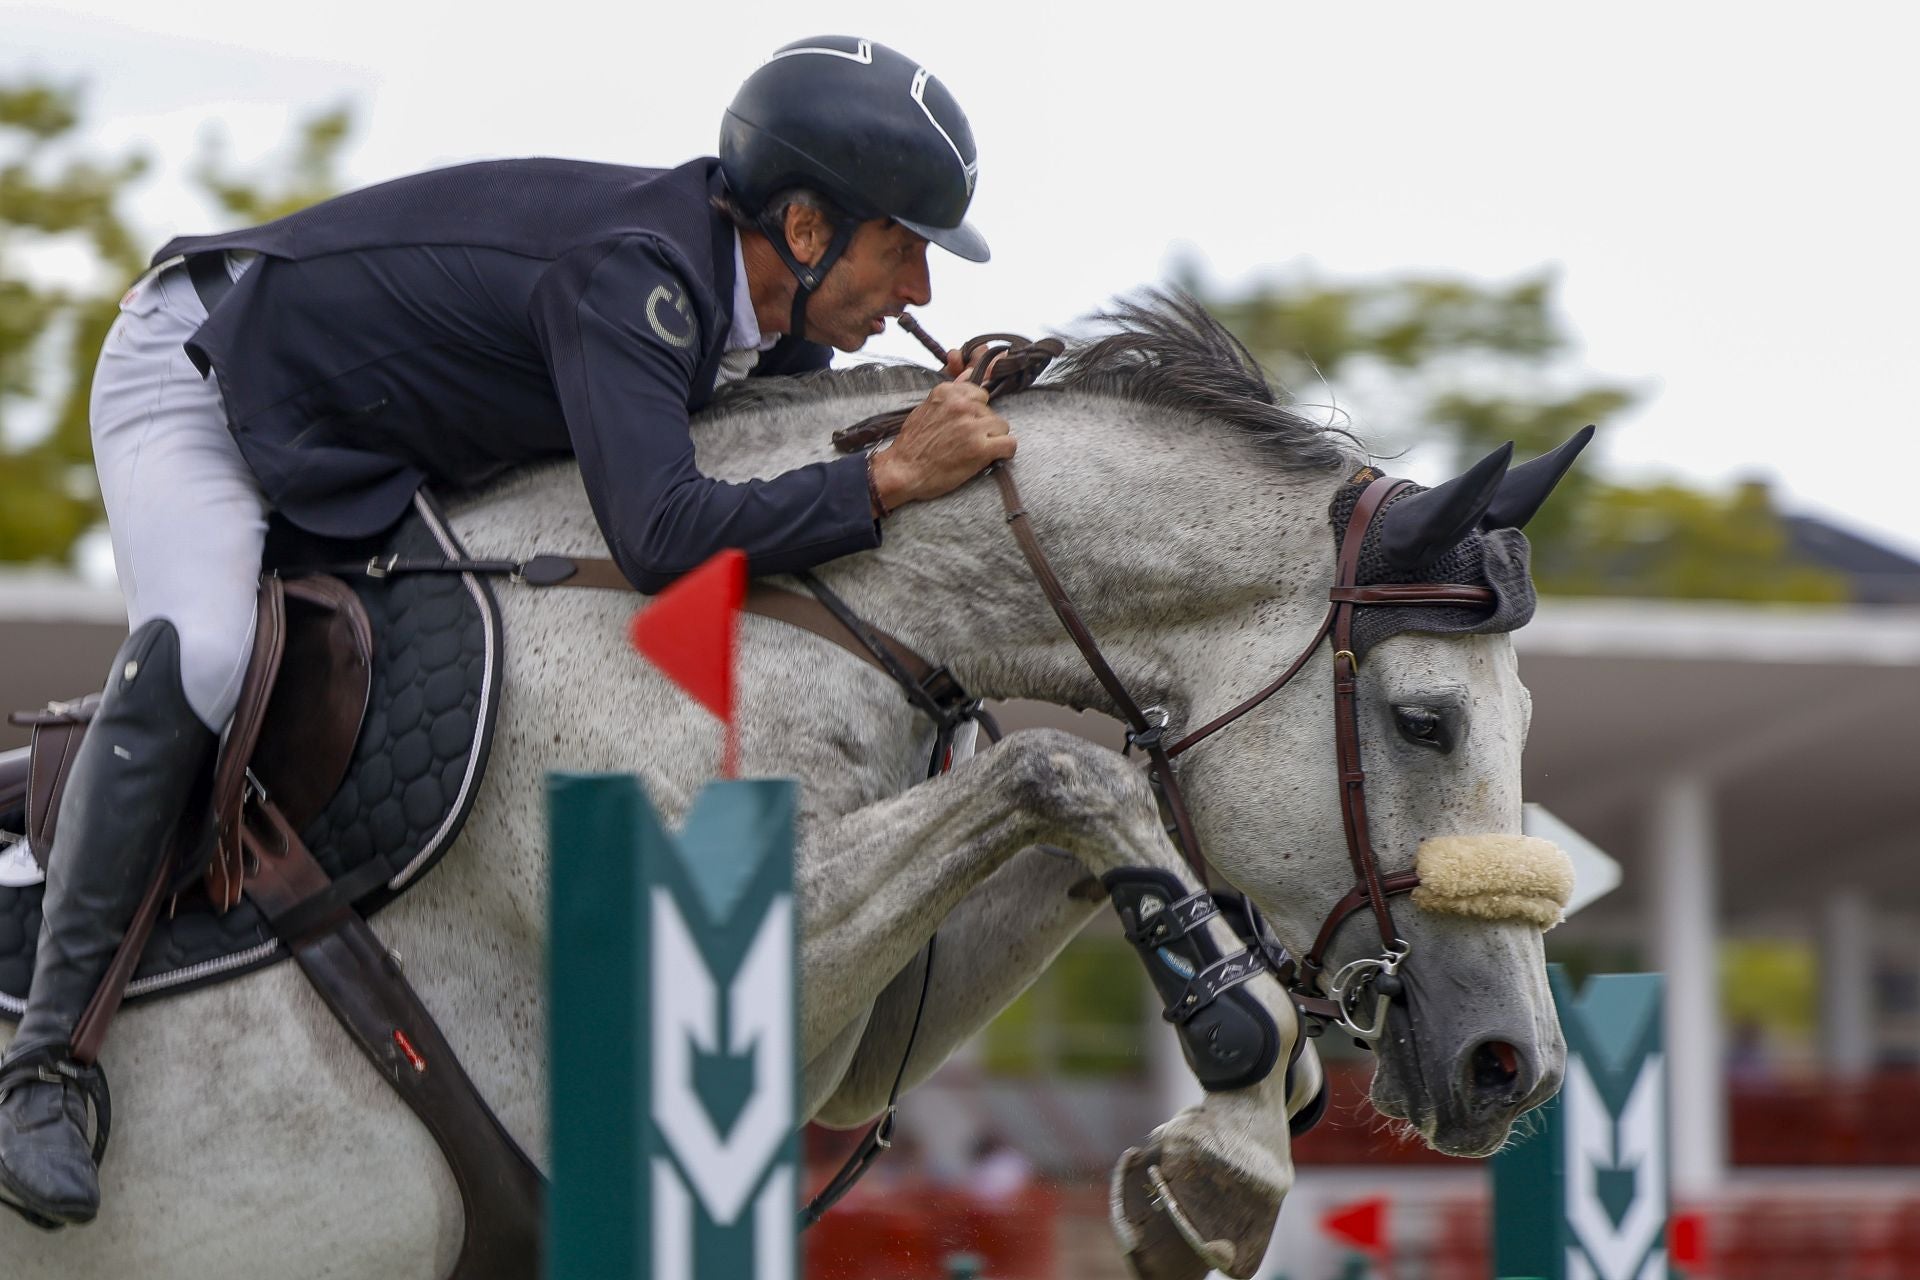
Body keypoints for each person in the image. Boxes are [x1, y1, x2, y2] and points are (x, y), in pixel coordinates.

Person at [0, 34, 1013, 1229]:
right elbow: (665, 534)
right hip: (205, 384)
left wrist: (930, 416)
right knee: (211, 654)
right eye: (904, 248)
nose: (920, 292)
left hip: (360, 436)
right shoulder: (639, 278)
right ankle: (44, 1070)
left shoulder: (758, 313)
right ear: (804, 229)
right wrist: (890, 478)